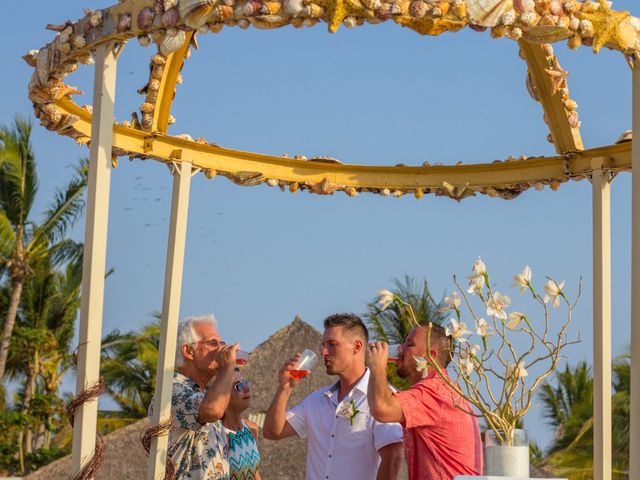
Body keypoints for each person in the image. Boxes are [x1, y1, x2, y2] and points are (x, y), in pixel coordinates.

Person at [263, 313, 404, 480]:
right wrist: (284, 389)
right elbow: (273, 432)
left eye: (332, 344)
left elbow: (393, 459)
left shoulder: (385, 399)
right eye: (323, 345)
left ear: (357, 347)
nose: (323, 352)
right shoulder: (316, 400)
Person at [367, 324, 483, 480]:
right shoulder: (445, 389)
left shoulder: (434, 391)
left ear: (430, 356)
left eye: (410, 344)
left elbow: (382, 407)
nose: (400, 348)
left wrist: (377, 366)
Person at [149, 314, 238, 480]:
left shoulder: (209, 392)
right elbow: (212, 411)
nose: (220, 349)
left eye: (221, 343)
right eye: (213, 343)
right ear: (188, 351)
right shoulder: (172, 389)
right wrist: (227, 367)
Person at [221, 368, 262, 480]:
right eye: (238, 385)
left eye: (245, 382)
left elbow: (254, 472)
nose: (246, 388)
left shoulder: (252, 428)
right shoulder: (217, 435)